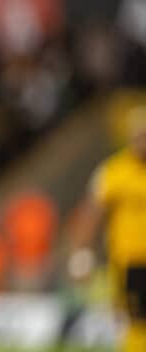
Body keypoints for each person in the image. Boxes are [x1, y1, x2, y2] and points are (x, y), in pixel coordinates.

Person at [68, 105, 146, 351]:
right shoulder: (114, 172)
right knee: (135, 321)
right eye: (140, 136)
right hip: (129, 262)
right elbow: (91, 214)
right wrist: (81, 254)